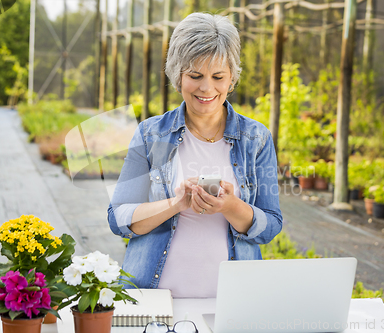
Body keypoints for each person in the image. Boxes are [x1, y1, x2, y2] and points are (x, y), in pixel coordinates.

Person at [108, 12, 282, 298]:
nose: (206, 88)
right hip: (155, 299)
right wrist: (177, 203)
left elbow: (271, 224)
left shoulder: (256, 139)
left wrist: (230, 205)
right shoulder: (152, 135)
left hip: (233, 303)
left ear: (231, 78)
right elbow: (119, 218)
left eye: (218, 77)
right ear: (178, 75)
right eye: (195, 75)